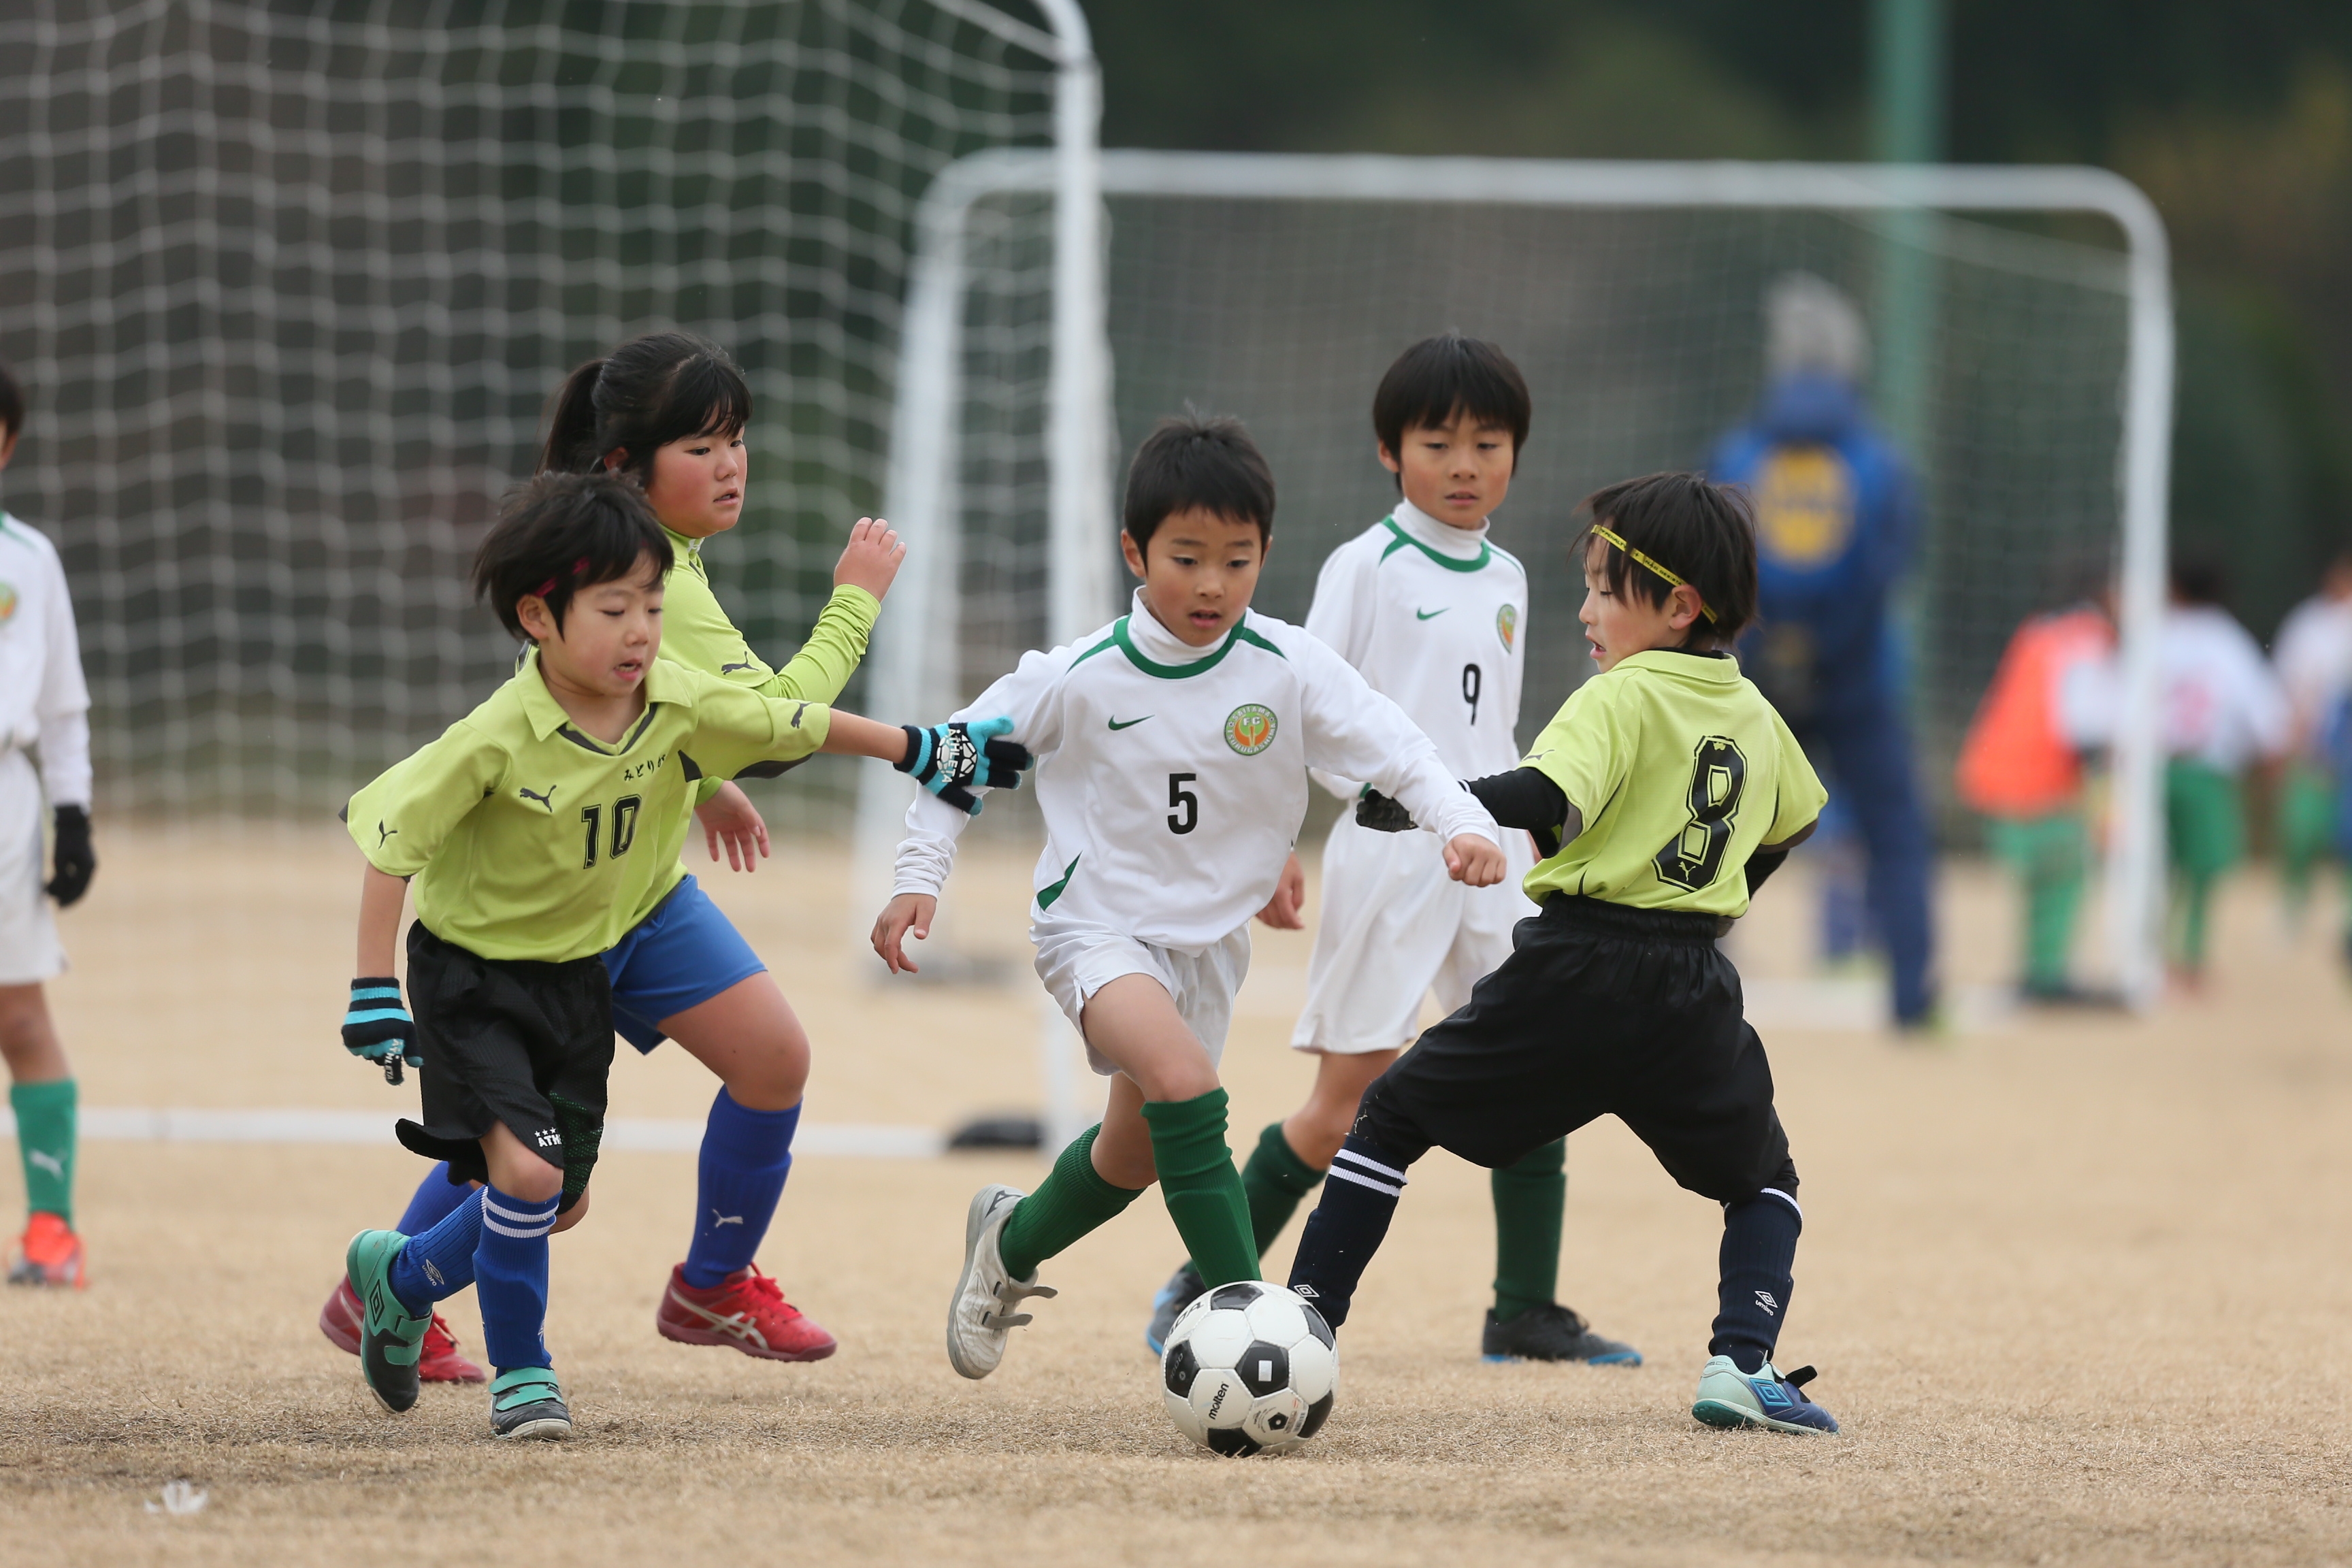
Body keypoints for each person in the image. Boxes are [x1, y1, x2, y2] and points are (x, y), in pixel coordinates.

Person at [336, 470, 1024, 1438]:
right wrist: (374, 989)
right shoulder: (491, 736)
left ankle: (397, 1276)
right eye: (613, 608)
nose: (640, 630)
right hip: (475, 982)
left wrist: (920, 747)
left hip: (578, 976)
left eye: (653, 605)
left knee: (554, 1200)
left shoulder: (670, 699)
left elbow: (791, 722)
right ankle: (525, 1376)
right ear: (539, 616)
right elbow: (386, 840)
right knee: (526, 1182)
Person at [870, 413, 1505, 1382]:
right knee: (1187, 1086)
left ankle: (1009, 1245)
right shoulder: (1081, 675)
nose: (1212, 584)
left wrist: (1460, 822)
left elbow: (1395, 744)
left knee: (1133, 1154)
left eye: (1238, 561)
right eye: (1187, 558)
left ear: (1265, 555)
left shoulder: (1287, 667)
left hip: (1209, 950)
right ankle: (1258, 1338)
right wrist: (922, 878)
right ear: (1135, 550)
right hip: (1096, 930)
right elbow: (960, 752)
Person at [321, 332, 900, 1379]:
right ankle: (399, 1290)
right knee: (530, 1167)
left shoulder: (642, 559)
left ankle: (711, 1285)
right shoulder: (639, 568)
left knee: (774, 1059)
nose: (731, 464)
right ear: (626, 468)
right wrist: (854, 599)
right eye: (701, 443)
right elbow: (772, 721)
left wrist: (696, 775)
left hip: (637, 894)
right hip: (539, 921)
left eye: (738, 439)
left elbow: (649, 713)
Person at [1288, 471, 1840, 1437]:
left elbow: (1545, 795)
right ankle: (1741, 1365)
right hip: (1693, 984)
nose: (1585, 608)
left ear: (1677, 605)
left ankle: (1306, 1323)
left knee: (1387, 1119)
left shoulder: (1618, 694)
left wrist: (1435, 798)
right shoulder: (1755, 715)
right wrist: (1717, 895)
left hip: (1578, 964)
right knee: (1764, 1183)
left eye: (1602, 588)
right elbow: (1793, 821)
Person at [1137, 336, 1636, 1368]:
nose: (1465, 465)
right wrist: (1276, 839)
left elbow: (1491, 733)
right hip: (1391, 857)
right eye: (1438, 441)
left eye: (1488, 443)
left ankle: (1524, 1311)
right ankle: (1206, 1281)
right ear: (1388, 451)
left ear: (1516, 455)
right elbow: (1297, 712)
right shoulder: (1364, 566)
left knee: (1541, 1068)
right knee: (1348, 1100)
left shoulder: (1507, 573)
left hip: (1492, 858)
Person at [1709, 273, 1936, 1030]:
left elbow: (1714, 553)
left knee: (1717, 825)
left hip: (1757, 673)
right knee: (1894, 831)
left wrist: (1774, 645)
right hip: (1859, 674)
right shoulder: (1881, 459)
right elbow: (1890, 565)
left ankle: (1684, 984)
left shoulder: (1738, 452)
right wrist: (1829, 645)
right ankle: (1913, 1001)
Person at [0, 359, 98, 1288]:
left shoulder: (27, 561)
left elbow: (63, 705)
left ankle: (51, 1228)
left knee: (20, 1016)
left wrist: (73, 816)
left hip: (6, 807)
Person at [1954, 581, 2115, 1002]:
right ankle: (2047, 974)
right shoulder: (2086, 636)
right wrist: (2103, 792)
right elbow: (2083, 722)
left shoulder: (2037, 632)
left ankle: (2035, 969)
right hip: (2046, 782)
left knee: (2038, 885)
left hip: (1998, 772)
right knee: (2063, 879)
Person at [2153, 558, 2287, 983]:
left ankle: (2152, 952)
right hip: (2208, 771)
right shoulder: (2231, 643)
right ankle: (2188, 956)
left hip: (2152, 768)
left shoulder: (2155, 636)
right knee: (2202, 871)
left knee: (2158, 866)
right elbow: (2266, 720)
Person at [2272, 549, 2352, 932]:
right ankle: (2294, 904)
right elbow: (2294, 682)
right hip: (2316, 742)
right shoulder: (2309, 623)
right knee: (2300, 831)